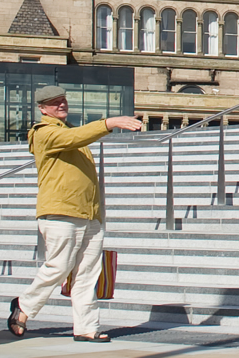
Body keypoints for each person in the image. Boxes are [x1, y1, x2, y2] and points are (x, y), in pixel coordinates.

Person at [7, 87, 142, 342]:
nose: (60, 105)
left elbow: (77, 138)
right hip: (60, 211)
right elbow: (75, 138)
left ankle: (86, 327)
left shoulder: (71, 133)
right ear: (42, 109)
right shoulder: (43, 132)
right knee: (59, 266)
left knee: (88, 273)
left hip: (89, 213)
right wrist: (109, 123)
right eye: (53, 102)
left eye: (62, 100)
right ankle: (24, 306)